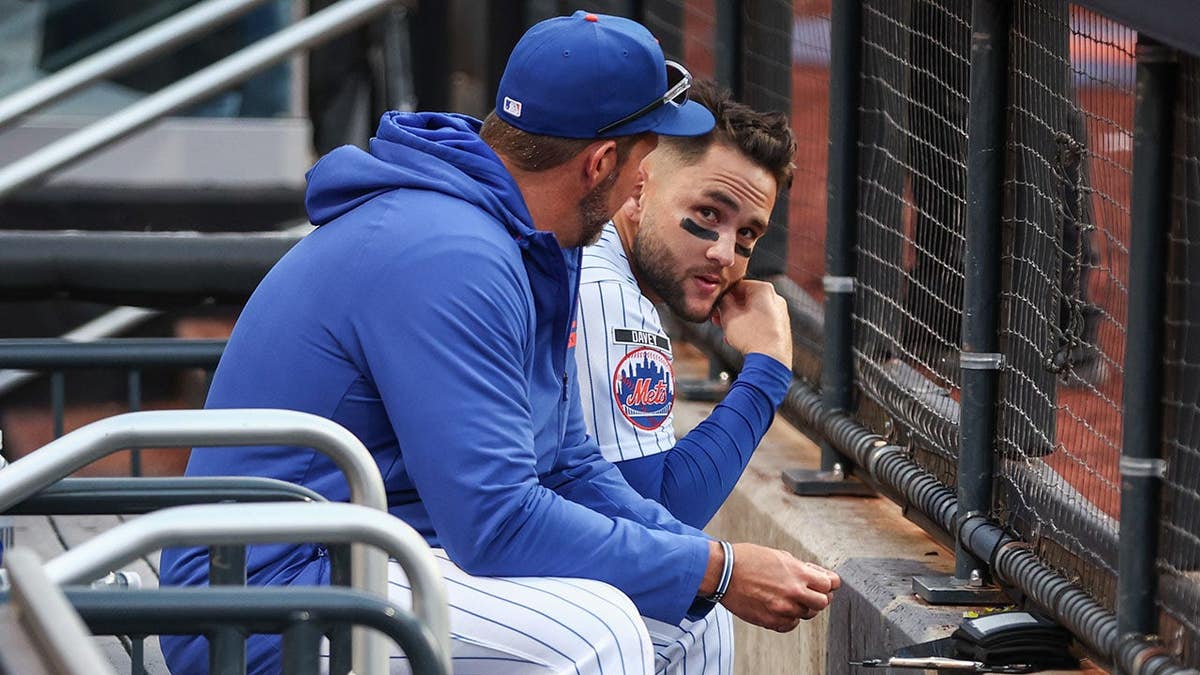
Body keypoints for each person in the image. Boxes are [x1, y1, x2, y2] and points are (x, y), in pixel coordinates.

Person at [160, 11, 839, 675]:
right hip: (262, 591)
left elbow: (568, 461)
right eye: (646, 154)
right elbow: (497, 521)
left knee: (688, 622)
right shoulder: (451, 252)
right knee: (594, 635)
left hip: (372, 551)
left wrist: (709, 567)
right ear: (602, 161)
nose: (644, 177)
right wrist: (717, 567)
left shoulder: (529, 239)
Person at [574, 79, 798, 673]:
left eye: (747, 234)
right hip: (371, 552)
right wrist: (767, 371)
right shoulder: (605, 291)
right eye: (707, 214)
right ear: (638, 188)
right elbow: (664, 507)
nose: (726, 253)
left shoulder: (593, 262)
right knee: (691, 618)